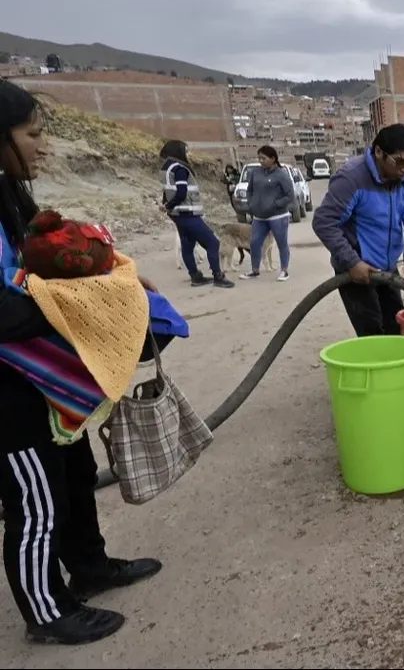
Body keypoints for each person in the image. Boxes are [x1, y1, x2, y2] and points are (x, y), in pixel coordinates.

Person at [0, 80, 169, 644]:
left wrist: (108, 279)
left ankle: (89, 567)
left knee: (71, 473)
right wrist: (90, 303)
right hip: (8, 388)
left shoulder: (8, 194)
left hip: (35, 372)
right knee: (34, 499)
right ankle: (46, 612)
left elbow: (45, 268)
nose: (43, 146)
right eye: (33, 134)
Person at [312, 123, 404, 337]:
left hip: (387, 268)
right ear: (379, 152)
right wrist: (352, 262)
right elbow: (324, 222)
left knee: (396, 327)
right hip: (358, 270)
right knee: (371, 332)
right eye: (399, 162)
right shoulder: (352, 178)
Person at [159, 140, 234, 288]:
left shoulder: (166, 169)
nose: (189, 154)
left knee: (187, 244)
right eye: (186, 151)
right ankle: (218, 276)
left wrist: (167, 206)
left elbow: (167, 191)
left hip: (178, 215)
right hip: (188, 213)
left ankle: (195, 276)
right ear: (178, 152)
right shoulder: (180, 168)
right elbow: (181, 193)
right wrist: (168, 205)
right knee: (213, 242)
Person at [242, 145, 293, 282]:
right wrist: (251, 203)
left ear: (273, 158)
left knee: (282, 243)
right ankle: (255, 270)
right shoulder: (256, 173)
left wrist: (275, 204)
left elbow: (290, 196)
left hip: (278, 216)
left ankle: (284, 270)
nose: (261, 161)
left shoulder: (281, 175)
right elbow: (250, 190)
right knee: (254, 242)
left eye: (263, 158)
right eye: (259, 158)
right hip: (259, 217)